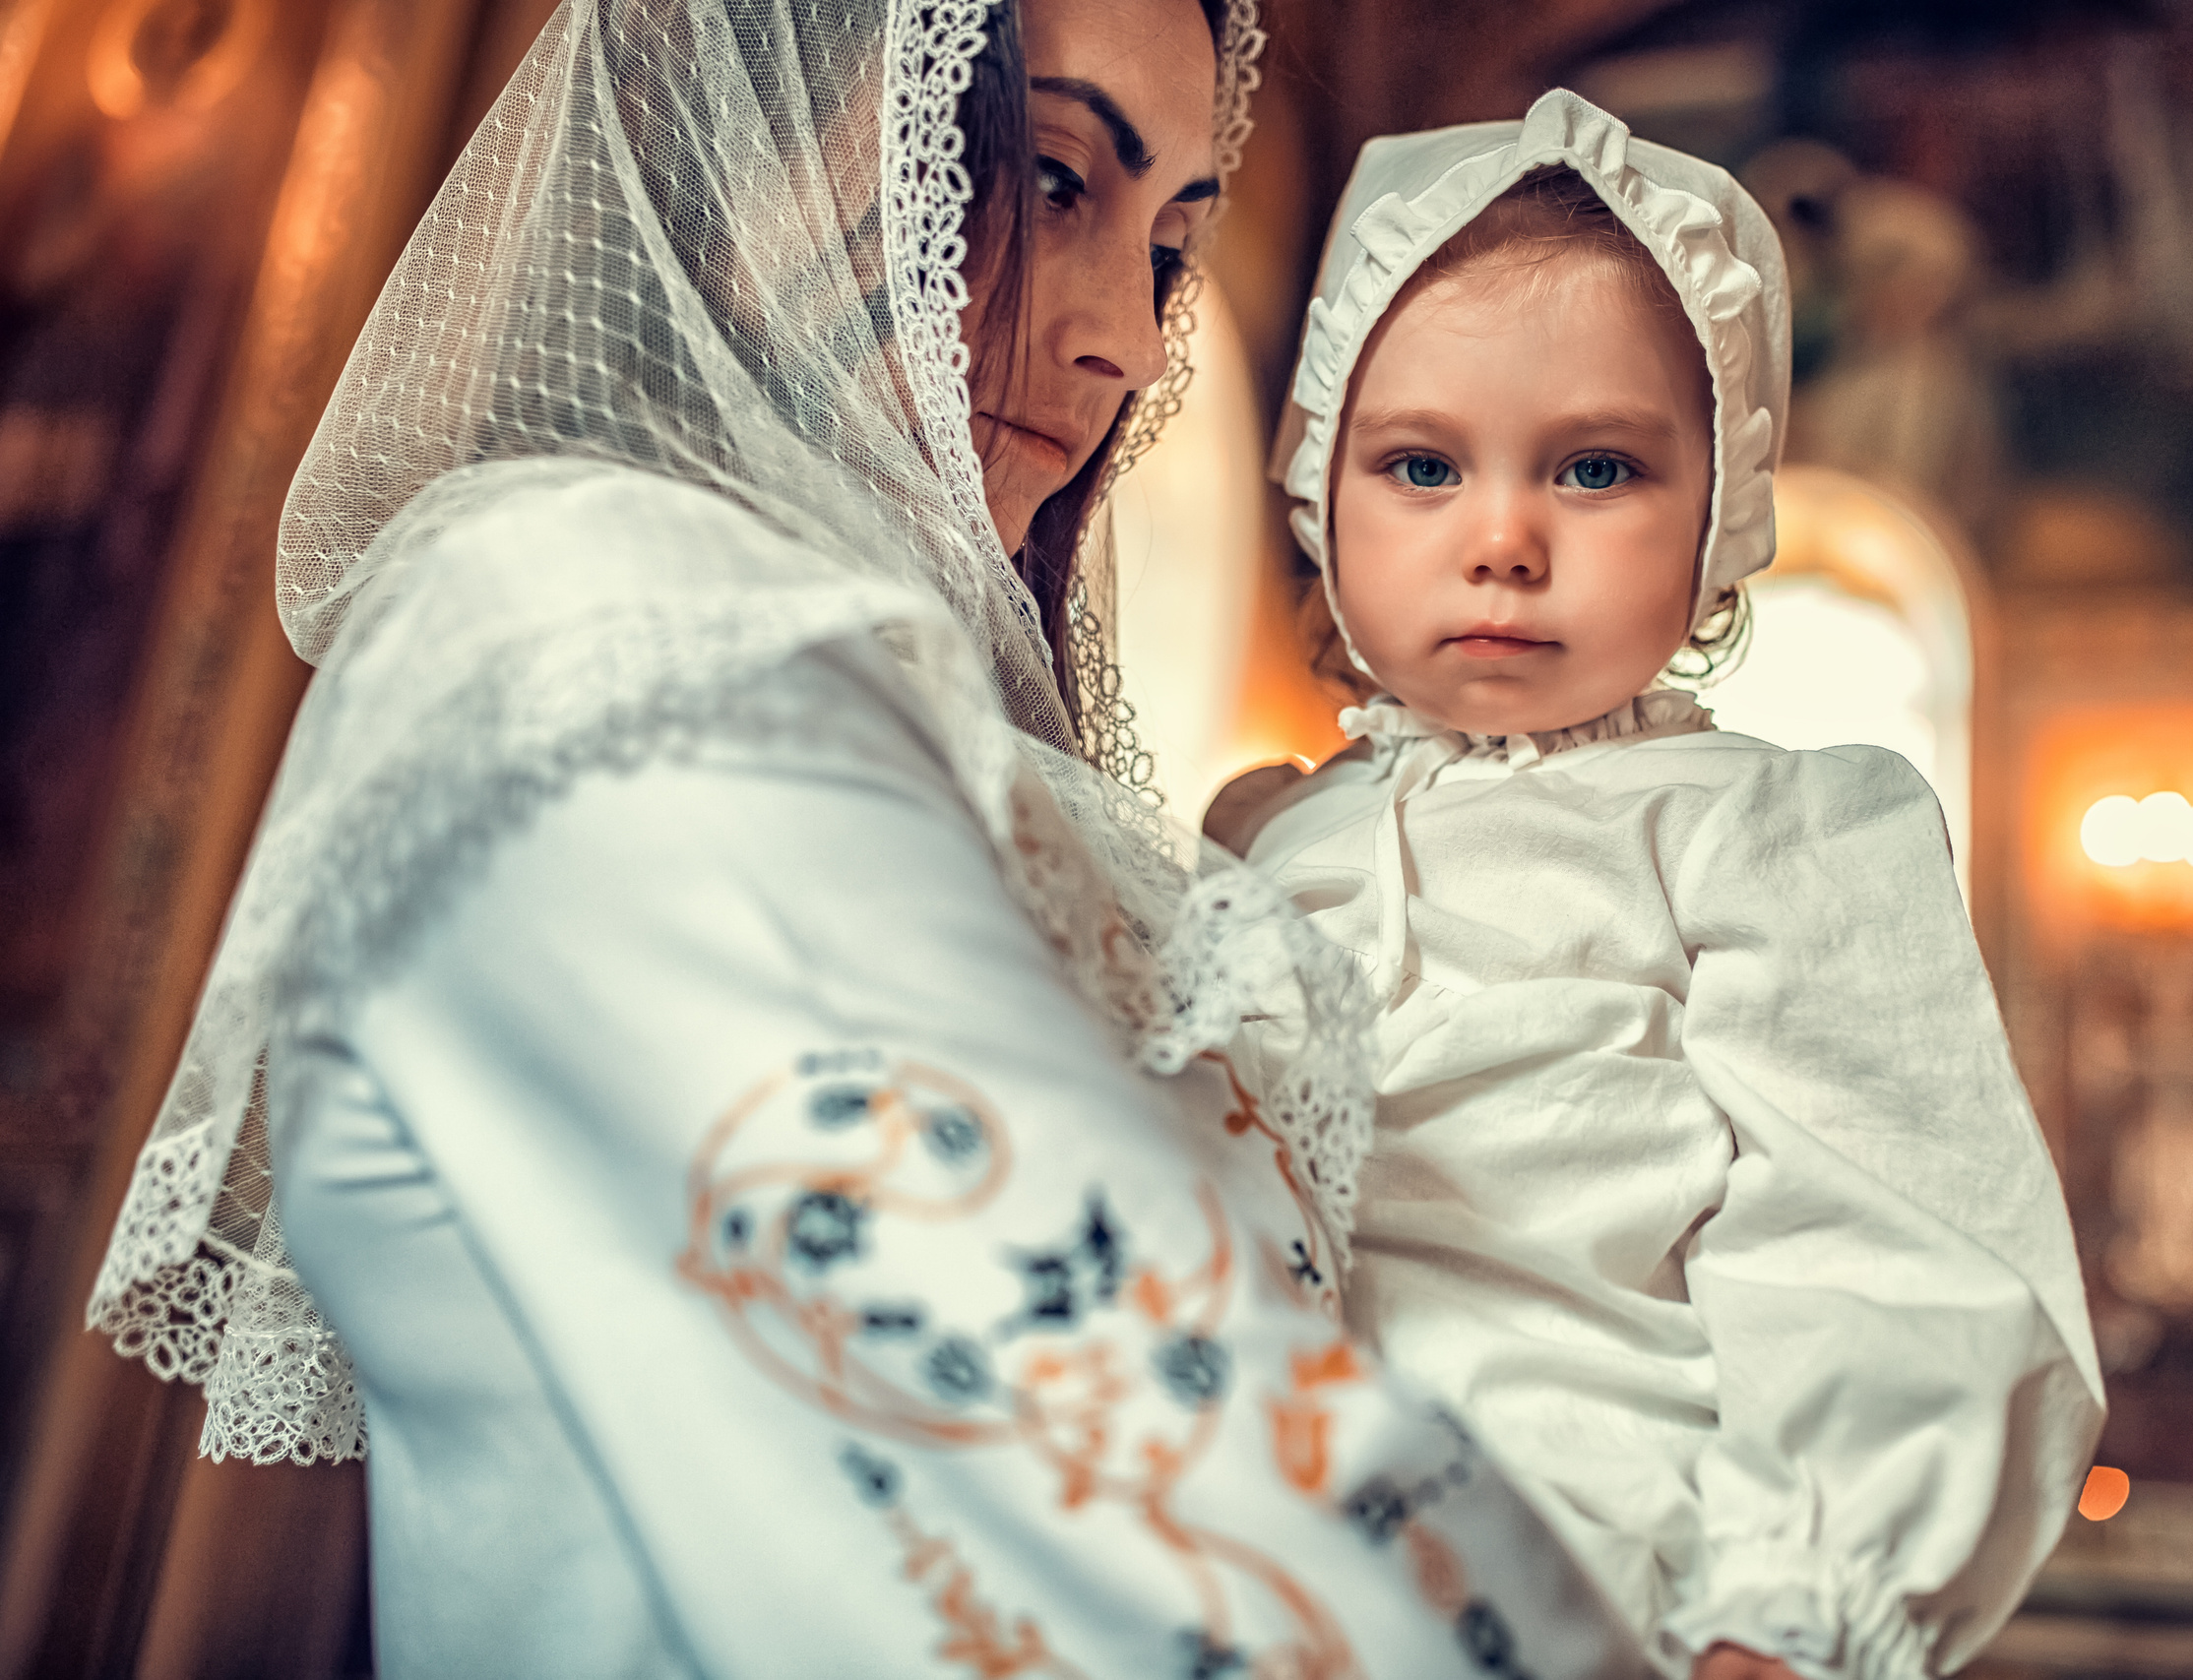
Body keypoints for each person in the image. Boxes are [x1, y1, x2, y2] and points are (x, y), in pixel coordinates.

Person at [83, 5, 1653, 1675]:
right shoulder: (591, 633)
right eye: (1052, 181)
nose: (1125, 335)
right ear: (743, 152)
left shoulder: (883, 721)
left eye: (1171, 252)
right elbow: (1115, 1419)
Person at [1206, 91, 2107, 1680]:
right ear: (1317, 492)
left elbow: (1885, 1241)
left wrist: (1789, 1606)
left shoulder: (1774, 834)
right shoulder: (1260, 839)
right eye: (1420, 465)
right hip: (1251, 1556)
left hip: (1611, 1563)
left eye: (1597, 467)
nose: (1502, 537)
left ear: (1722, 509)